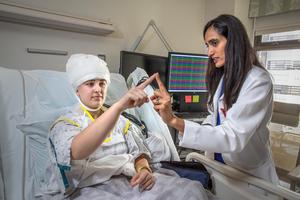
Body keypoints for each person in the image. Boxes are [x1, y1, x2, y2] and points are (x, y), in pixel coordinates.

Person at [47, 54, 209, 200]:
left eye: (102, 84)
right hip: (87, 189)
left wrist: (144, 170)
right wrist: (118, 107)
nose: (98, 89)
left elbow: (139, 153)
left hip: (127, 182)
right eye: (90, 84)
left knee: (191, 190)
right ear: (77, 90)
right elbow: (77, 151)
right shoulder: (65, 124)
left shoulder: (122, 122)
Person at [151, 14, 278, 185]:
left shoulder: (257, 81)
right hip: (221, 170)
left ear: (234, 41)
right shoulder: (223, 78)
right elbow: (214, 118)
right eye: (207, 45)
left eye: (214, 43)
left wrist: (175, 120)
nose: (209, 52)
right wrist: (196, 132)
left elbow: (232, 136)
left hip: (250, 176)